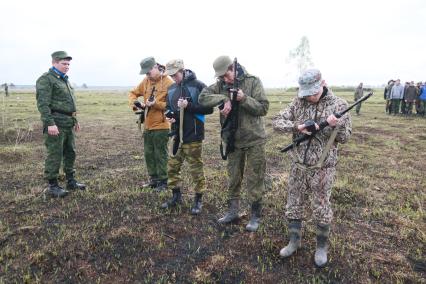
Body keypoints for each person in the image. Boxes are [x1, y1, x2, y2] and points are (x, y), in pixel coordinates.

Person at [272, 69, 352, 267]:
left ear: (323, 83)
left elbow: (345, 137)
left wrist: (336, 125)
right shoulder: (298, 101)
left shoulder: (339, 105)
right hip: (298, 165)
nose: (309, 97)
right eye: (306, 94)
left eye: (313, 93)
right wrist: (297, 126)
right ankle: (294, 241)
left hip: (323, 167)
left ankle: (321, 247)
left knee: (321, 207)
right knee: (294, 204)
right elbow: (276, 122)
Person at [199, 55, 269, 232]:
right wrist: (223, 100)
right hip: (232, 140)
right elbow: (202, 97)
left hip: (254, 140)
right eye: (221, 77)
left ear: (233, 68)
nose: (224, 79)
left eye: (225, 75)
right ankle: (233, 212)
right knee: (233, 178)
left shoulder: (253, 82)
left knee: (255, 178)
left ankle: (255, 215)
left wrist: (243, 99)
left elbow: (263, 108)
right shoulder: (220, 86)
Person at [160, 59, 213, 214]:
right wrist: (169, 115)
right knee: (172, 167)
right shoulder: (171, 89)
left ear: (182, 70)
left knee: (195, 168)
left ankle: (198, 199)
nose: (173, 78)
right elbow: (168, 107)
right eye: (170, 75)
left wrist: (189, 106)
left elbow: (209, 109)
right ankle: (176, 197)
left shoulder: (198, 86)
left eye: (175, 74)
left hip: (193, 135)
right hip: (176, 135)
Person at [36, 51, 86, 198]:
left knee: (70, 152)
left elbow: (69, 103)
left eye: (68, 64)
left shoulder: (64, 80)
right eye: (64, 63)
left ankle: (71, 181)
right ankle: (52, 186)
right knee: (55, 154)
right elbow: (43, 104)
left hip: (68, 122)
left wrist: (74, 120)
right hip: (55, 123)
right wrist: (49, 123)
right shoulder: (46, 79)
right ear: (54, 63)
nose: (67, 66)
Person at [128, 57, 174, 191]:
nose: (147, 75)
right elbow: (133, 93)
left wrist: (156, 104)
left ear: (156, 67)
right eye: (145, 73)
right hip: (147, 125)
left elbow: (171, 106)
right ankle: (153, 180)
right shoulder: (146, 81)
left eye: (148, 72)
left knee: (161, 154)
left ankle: (163, 182)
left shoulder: (169, 83)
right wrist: (136, 105)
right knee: (149, 153)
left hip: (162, 125)